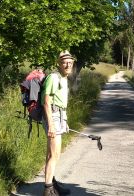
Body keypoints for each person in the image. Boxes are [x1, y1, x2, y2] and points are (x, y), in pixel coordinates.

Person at [41, 50, 75, 196]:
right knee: (54, 154)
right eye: (64, 62)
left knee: (52, 154)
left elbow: (61, 103)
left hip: (59, 116)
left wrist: (64, 121)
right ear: (58, 63)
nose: (67, 64)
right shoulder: (53, 78)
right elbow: (47, 103)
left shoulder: (63, 78)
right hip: (52, 116)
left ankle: (52, 183)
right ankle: (48, 189)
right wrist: (52, 125)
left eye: (70, 62)